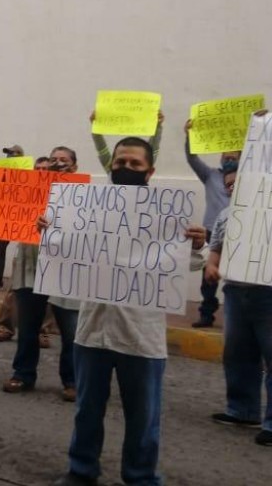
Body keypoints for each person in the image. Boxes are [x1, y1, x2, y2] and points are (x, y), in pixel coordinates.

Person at [52, 137, 207, 486]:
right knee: (87, 410)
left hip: (141, 337)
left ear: (149, 171)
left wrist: (196, 244)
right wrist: (51, 234)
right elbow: (64, 251)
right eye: (120, 162)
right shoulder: (86, 210)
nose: (126, 168)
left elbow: (190, 263)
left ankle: (140, 478)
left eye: (135, 164)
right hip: (92, 331)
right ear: (111, 166)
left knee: (143, 416)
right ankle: (81, 470)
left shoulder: (167, 214)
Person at [2, 147, 81, 402]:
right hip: (30, 270)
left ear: (75, 167)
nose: (58, 164)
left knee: (71, 333)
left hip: (64, 274)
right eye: (53, 160)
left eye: (64, 160)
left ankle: (72, 380)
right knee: (27, 329)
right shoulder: (27, 192)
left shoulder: (85, 196)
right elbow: (7, 217)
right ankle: (23, 374)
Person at [206, 163, 272, 446]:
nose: (232, 187)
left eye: (238, 183)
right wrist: (211, 265)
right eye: (229, 184)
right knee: (238, 354)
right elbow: (217, 247)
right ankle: (242, 410)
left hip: (268, 293)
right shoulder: (225, 214)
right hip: (235, 291)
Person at [184, 119, 239, 328]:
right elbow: (191, 158)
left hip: (238, 233)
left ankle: (238, 316)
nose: (228, 160)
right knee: (208, 279)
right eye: (225, 157)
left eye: (233, 157)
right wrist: (189, 136)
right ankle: (206, 314)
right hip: (211, 233)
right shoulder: (210, 175)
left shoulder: (247, 178)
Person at [0, 155, 50, 343]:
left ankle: (42, 331)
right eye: (37, 168)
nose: (41, 172)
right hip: (26, 248)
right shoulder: (24, 190)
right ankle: (5, 325)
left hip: (49, 250)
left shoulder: (59, 194)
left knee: (47, 292)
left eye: (45, 169)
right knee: (14, 289)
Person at [0, 144, 25, 292]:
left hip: (21, 217)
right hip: (5, 216)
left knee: (23, 252)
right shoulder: (1, 174)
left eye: (12, 154)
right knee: (0, 250)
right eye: (8, 154)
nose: (9, 157)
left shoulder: (28, 174)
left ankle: (21, 284)